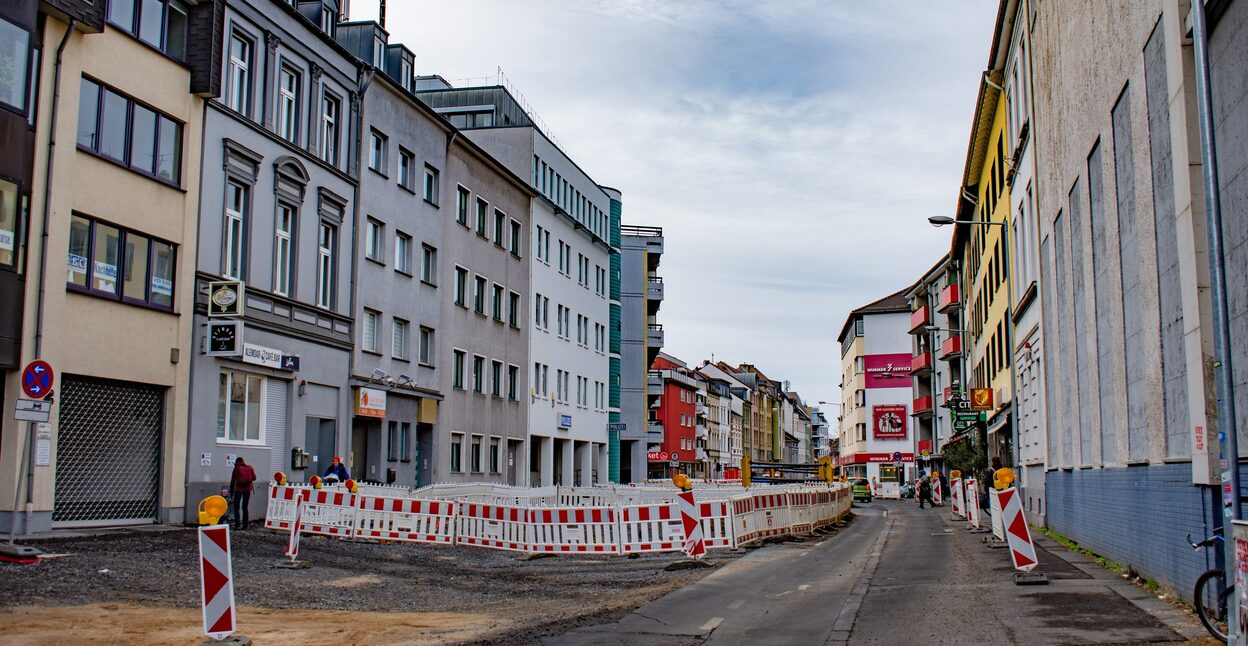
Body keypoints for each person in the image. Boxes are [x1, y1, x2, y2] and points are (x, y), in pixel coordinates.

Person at [229, 457, 257, 530]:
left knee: (236, 508)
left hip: (238, 490)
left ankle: (237, 525)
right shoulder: (250, 467)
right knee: (245, 508)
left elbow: (232, 481)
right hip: (247, 490)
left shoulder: (236, 469)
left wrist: (231, 493)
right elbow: (254, 478)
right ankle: (245, 526)